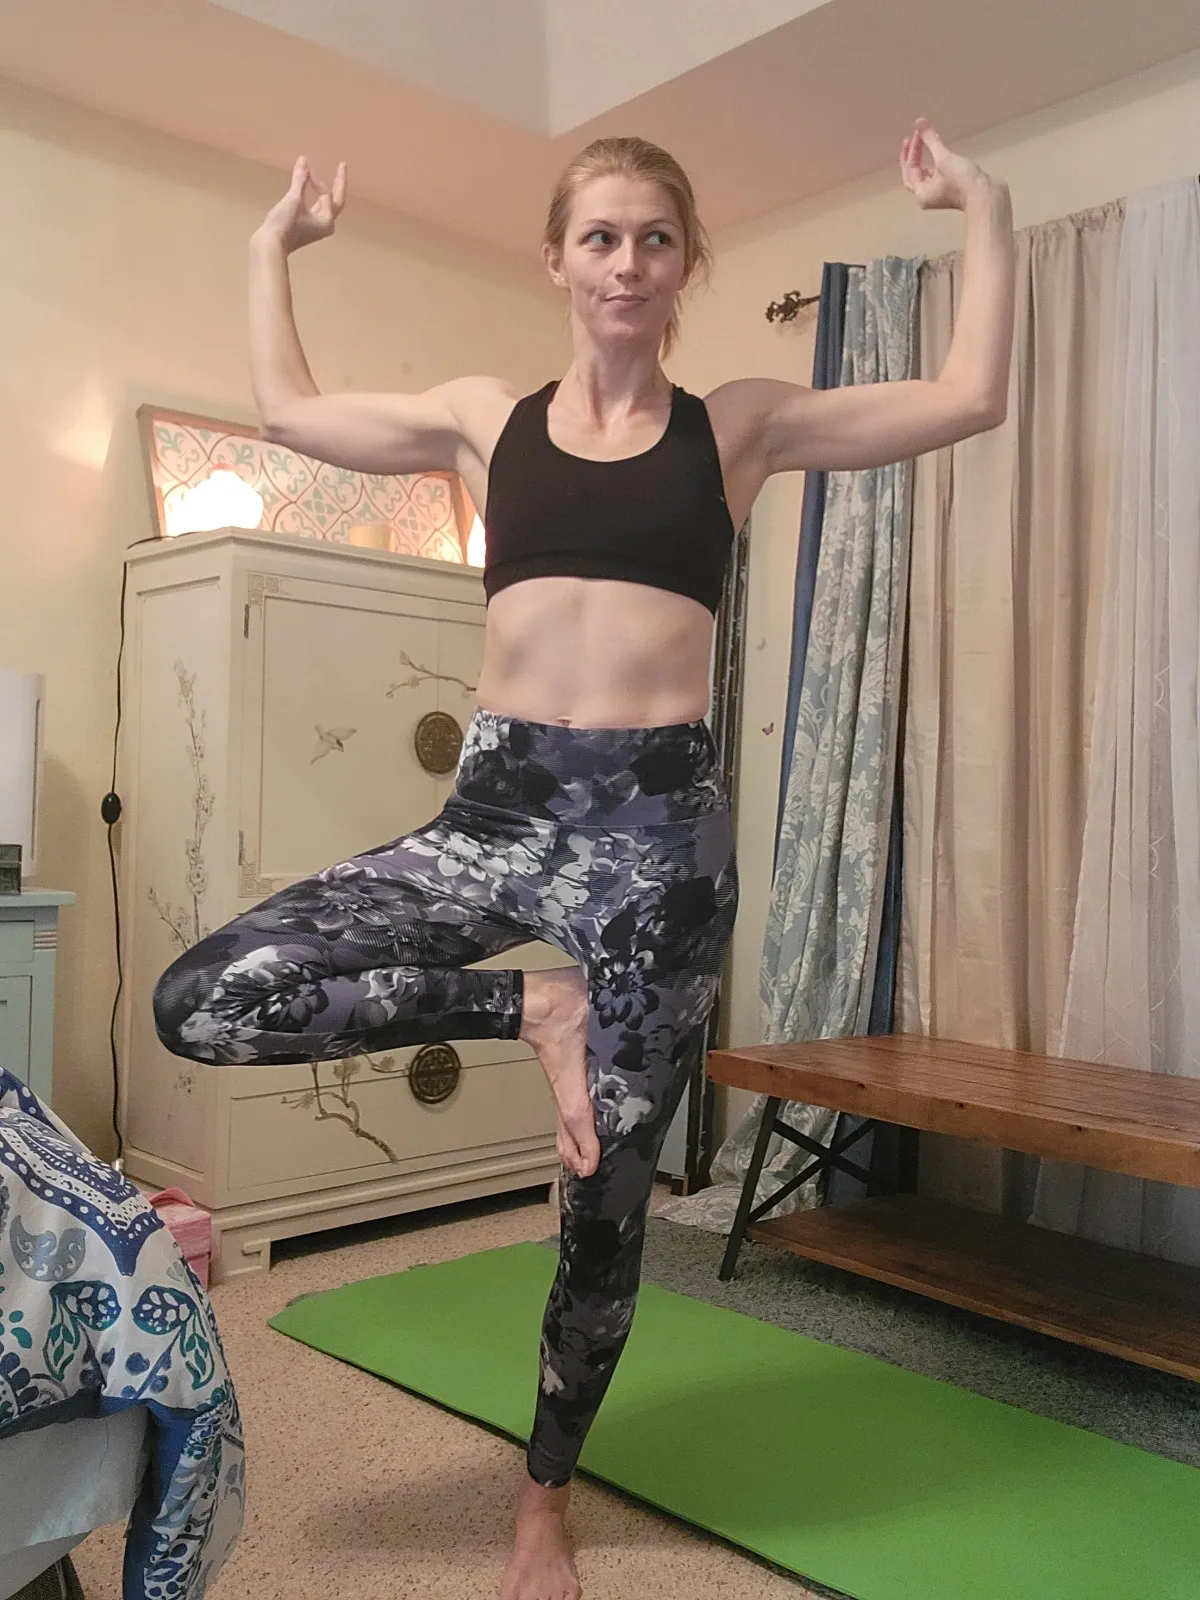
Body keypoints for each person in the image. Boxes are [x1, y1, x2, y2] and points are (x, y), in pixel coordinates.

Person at [154, 121, 1014, 1600]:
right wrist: (266, 248)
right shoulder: (490, 417)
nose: (627, 263)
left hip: (653, 846)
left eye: (656, 239)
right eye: (601, 236)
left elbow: (971, 395)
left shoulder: (736, 422)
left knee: (605, 1197)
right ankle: (527, 1012)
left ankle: (545, 1498)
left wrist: (986, 211)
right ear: (558, 257)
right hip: (491, 821)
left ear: (686, 265)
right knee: (205, 999)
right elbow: (288, 410)